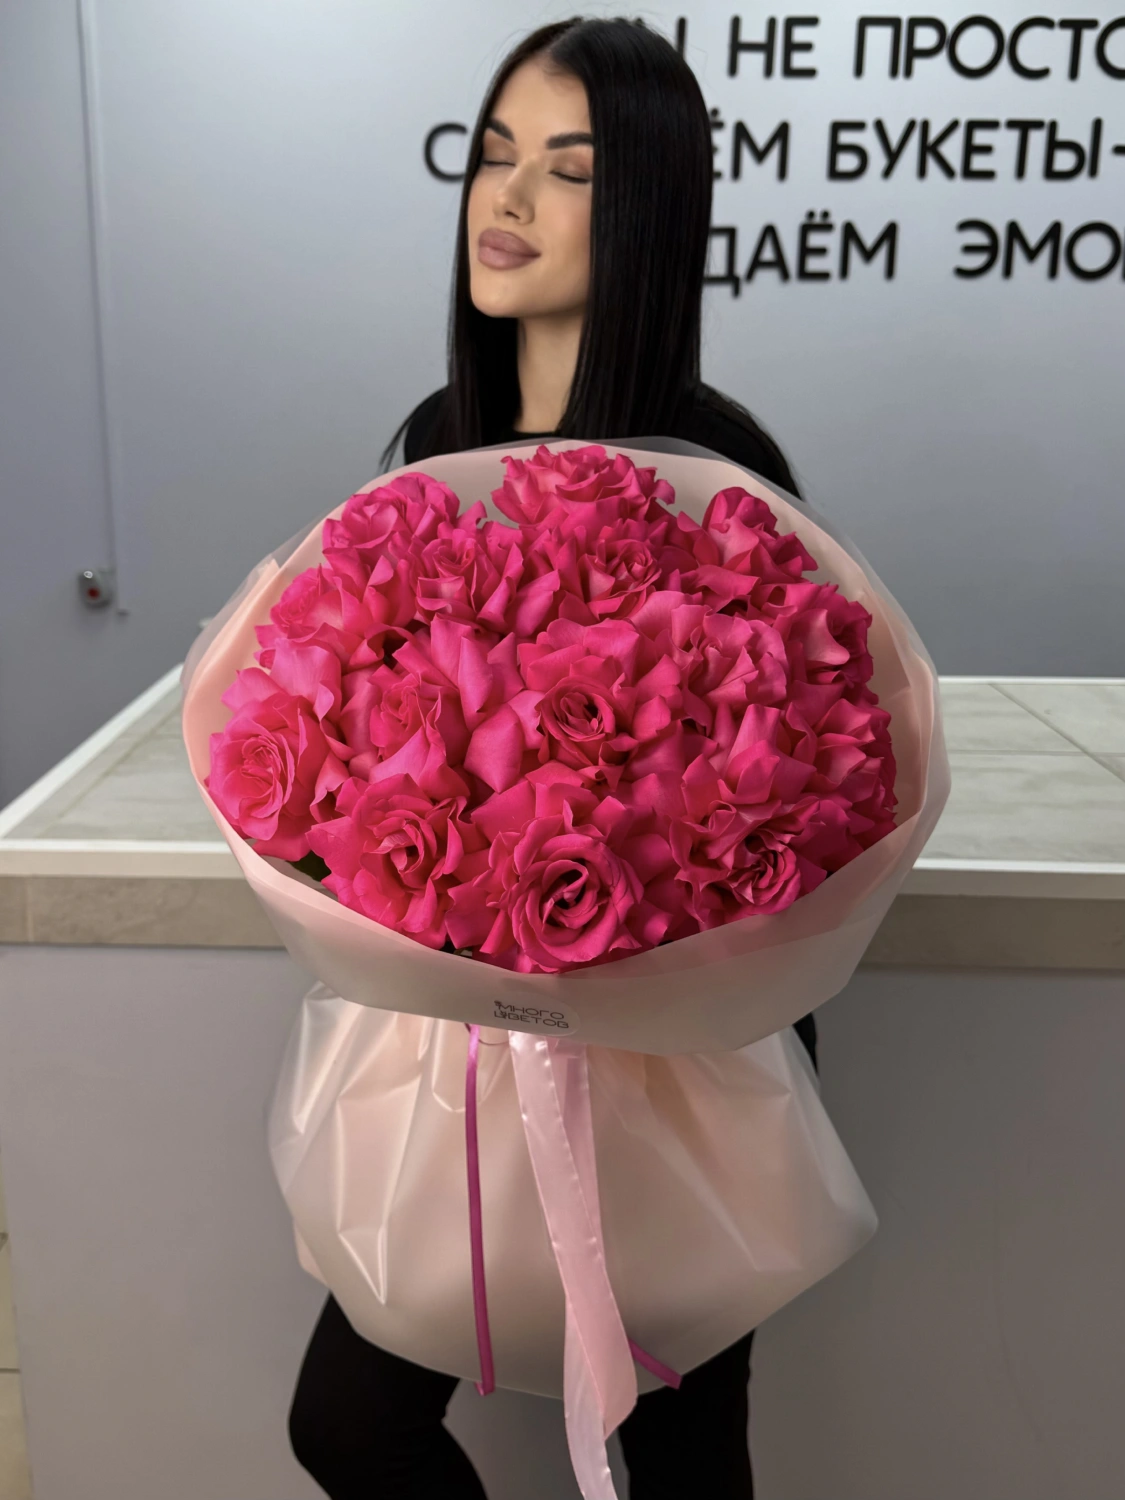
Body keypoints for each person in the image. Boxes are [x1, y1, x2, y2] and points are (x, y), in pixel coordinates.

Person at [288, 17, 818, 1498]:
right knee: (349, 1421)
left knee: (680, 1447)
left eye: (568, 170)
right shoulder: (434, 440)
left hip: (681, 1053)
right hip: (465, 1044)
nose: (507, 199)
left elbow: (784, 790)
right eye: (494, 155)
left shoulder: (720, 470)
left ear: (647, 208)